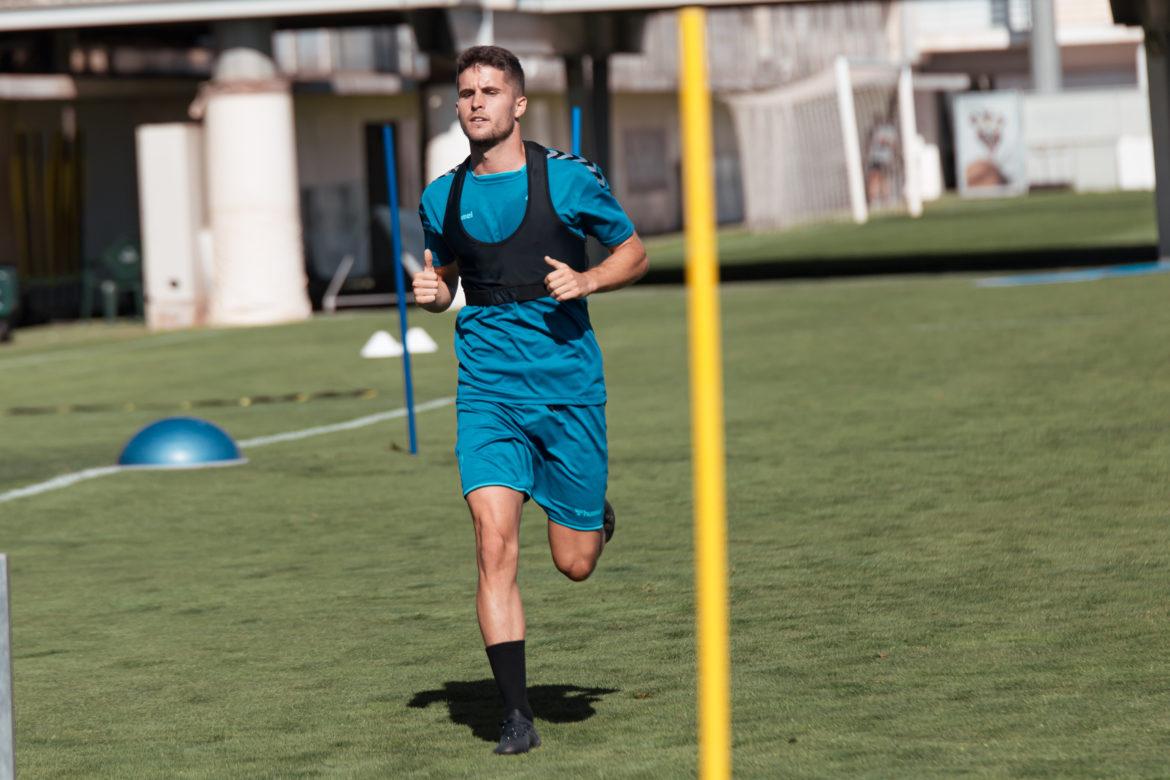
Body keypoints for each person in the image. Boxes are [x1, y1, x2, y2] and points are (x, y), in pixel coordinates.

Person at [413, 45, 648, 755]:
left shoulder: (568, 181)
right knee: (492, 544)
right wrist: (434, 297)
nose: (475, 102)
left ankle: (589, 513)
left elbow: (634, 251)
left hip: (567, 387)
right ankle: (515, 714)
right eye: (464, 92)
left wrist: (590, 281)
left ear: (518, 104)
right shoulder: (440, 196)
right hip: (486, 391)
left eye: (489, 90)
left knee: (573, 563)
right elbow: (449, 277)